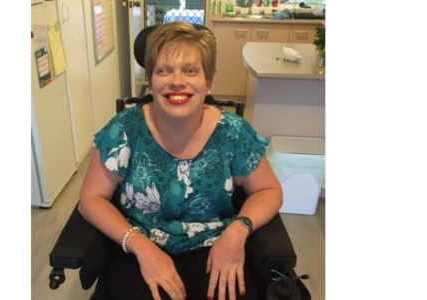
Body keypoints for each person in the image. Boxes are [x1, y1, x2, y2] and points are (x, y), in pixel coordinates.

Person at [78, 21, 282, 300]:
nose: (177, 81)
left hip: (214, 244)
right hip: (140, 243)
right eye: (164, 70)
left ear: (208, 82)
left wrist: (238, 231)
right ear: (150, 81)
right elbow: (91, 198)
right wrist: (140, 246)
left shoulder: (233, 132)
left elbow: (269, 190)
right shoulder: (125, 129)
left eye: (190, 70)